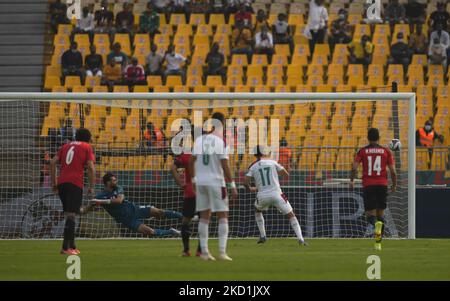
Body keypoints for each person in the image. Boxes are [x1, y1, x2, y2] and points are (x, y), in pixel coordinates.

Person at [191, 112, 238, 261]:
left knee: (204, 216)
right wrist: (232, 184)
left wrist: (193, 180)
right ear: (222, 124)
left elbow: (191, 161)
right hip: (216, 182)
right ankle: (222, 253)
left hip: (201, 182)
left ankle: (205, 253)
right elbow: (224, 164)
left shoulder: (199, 139)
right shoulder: (221, 141)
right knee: (223, 215)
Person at [81, 173, 182, 237]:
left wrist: (101, 202)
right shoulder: (100, 196)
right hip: (127, 221)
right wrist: (81, 210)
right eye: (114, 180)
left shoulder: (118, 188)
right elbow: (89, 208)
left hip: (135, 209)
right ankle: (171, 232)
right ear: (108, 182)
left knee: (159, 212)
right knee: (150, 232)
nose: (116, 181)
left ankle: (185, 216)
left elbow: (119, 200)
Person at [244, 146, 306, 246]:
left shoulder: (253, 166)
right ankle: (301, 239)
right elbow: (286, 175)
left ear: (255, 155)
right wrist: (275, 179)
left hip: (262, 196)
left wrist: (250, 188)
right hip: (277, 194)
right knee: (291, 215)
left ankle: (263, 236)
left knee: (257, 211)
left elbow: (245, 182)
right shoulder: (272, 162)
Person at [49, 128, 96, 255]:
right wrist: (91, 186)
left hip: (62, 183)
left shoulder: (65, 146)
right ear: (88, 138)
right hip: (75, 183)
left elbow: (52, 162)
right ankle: (67, 248)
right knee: (71, 215)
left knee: (70, 215)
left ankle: (70, 246)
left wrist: (54, 183)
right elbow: (91, 167)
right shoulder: (87, 146)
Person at [350, 128, 397, 251]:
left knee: (370, 214)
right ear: (378, 137)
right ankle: (378, 243)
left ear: (368, 137)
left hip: (369, 185)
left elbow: (354, 168)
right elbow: (393, 171)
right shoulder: (386, 151)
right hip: (382, 185)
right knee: (380, 214)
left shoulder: (363, 151)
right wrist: (394, 184)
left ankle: (375, 226)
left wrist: (352, 180)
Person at [171, 126, 202, 256]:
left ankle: (186, 250)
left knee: (185, 221)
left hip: (190, 191)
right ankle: (200, 251)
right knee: (204, 221)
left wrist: (181, 184)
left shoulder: (188, 154)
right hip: (204, 191)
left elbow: (172, 168)